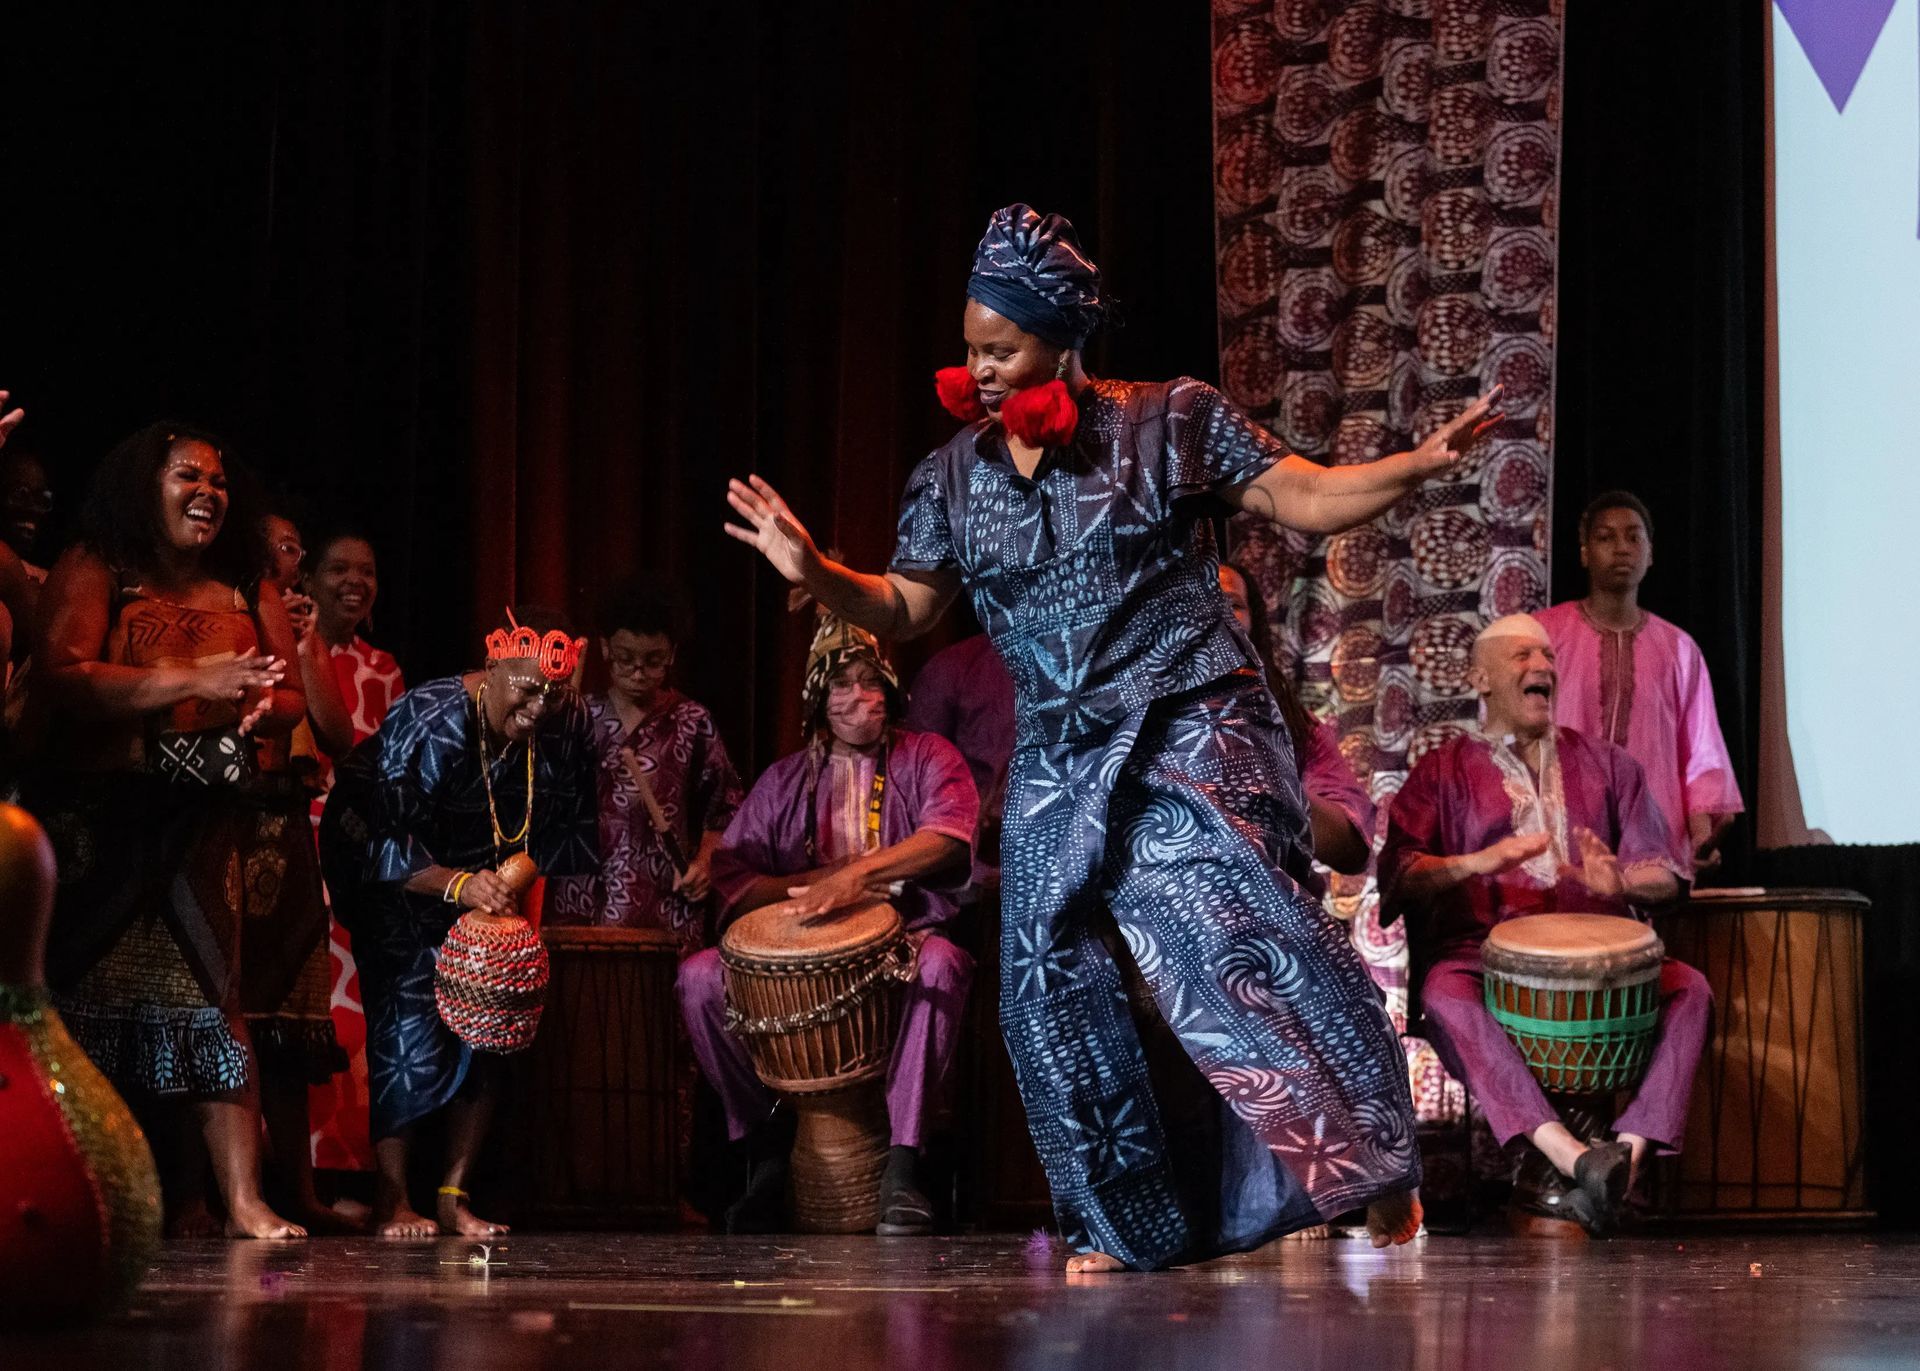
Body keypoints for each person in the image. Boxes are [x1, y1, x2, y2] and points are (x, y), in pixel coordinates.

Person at [723, 204, 1502, 1271]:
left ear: (1062, 341)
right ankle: (1120, 1223)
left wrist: (1413, 466)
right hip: (1059, 746)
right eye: (970, 350)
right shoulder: (951, 478)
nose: (983, 371)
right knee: (1044, 975)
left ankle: (1364, 1168)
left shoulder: (1171, 419)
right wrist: (818, 574)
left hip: (1190, 714)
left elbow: (1305, 499)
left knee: (1222, 927)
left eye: (1003, 349)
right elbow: (907, 605)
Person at [31, 420, 307, 1239]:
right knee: (76, 1000)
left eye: (219, 481)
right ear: (142, 486)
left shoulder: (243, 581)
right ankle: (63, 1183)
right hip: (101, 817)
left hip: (205, 821)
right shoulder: (98, 565)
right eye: (188, 475)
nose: (208, 492)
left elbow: (287, 696)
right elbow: (65, 674)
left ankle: (243, 1199)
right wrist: (194, 677)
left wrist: (257, 708)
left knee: (217, 1001)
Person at [1377, 613, 1709, 1231]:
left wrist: (1621, 881)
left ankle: (1620, 1159)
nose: (1543, 667)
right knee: (1444, 994)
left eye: (1549, 658)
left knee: (1691, 989)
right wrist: (1474, 862)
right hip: (1482, 960)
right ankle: (1575, 1155)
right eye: (1522, 656)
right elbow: (1399, 875)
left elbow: (1667, 873)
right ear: (1479, 677)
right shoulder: (1441, 772)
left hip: (1608, 969)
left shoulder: (1611, 766)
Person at [680, 614, 978, 1236]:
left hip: (903, 943)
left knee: (944, 966)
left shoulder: (927, 756)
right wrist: (816, 886)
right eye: (842, 684)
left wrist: (862, 876)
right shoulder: (786, 778)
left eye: (871, 682)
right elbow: (735, 874)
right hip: (801, 960)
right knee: (701, 979)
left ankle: (904, 1166)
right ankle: (764, 1157)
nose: (859, 698)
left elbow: (948, 839)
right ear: (818, 698)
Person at [318, 608, 598, 1238]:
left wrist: (504, 886)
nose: (538, 710)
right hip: (386, 859)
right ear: (493, 668)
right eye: (527, 692)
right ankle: (393, 1200)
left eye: (553, 696)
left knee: (490, 1013)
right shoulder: (433, 719)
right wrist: (461, 885)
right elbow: (386, 843)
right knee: (405, 1016)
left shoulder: (568, 717)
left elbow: (561, 828)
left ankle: (452, 1195)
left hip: (488, 869)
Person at [237, 510, 356, 1230]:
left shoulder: (297, 628)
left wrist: (309, 644)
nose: (298, 559)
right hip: (227, 823)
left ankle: (301, 1192)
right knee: (218, 1018)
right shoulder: (226, 615)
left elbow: (339, 735)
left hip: (287, 835)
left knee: (288, 1023)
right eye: (288, 546)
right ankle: (210, 1194)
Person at [1535, 492, 1743, 876]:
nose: (1621, 549)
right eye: (1605, 538)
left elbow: (1699, 748)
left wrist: (1702, 836)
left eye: (1634, 538)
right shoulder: (1545, 635)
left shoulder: (1678, 648)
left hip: (1652, 840)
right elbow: (1514, 733)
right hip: (1561, 830)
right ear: (1583, 553)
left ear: (1650, 554)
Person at [547, 576, 743, 949]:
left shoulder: (692, 721)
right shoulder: (578, 715)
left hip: (663, 902)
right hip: (582, 899)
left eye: (652, 661)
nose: (638, 672)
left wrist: (703, 863)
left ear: (671, 654)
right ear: (605, 649)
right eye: (625, 659)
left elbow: (726, 808)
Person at [1217, 560, 1373, 886]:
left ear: (1254, 623)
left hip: (1271, 917)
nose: (1219, 615)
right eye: (1201, 600)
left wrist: (1271, 777)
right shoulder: (1132, 715)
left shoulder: (1289, 722)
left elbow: (1352, 850)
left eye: (1233, 605)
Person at [902, 629, 1014, 885]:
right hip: (977, 876)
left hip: (1078, 866)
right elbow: (917, 779)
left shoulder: (1096, 659)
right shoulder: (953, 667)